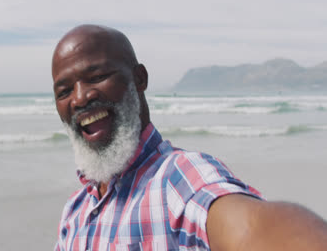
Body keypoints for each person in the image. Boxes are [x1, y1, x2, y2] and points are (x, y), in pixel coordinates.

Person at [51, 24, 327, 251]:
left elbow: (252, 228)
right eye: (63, 91)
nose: (79, 98)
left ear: (139, 79)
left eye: (97, 76)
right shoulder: (76, 210)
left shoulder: (178, 181)